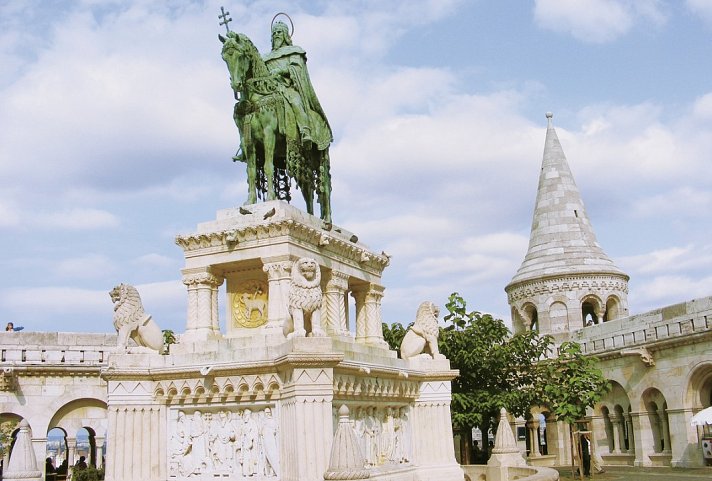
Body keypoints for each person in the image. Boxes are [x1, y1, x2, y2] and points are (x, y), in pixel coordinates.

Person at [263, 20, 332, 151]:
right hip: (269, 89)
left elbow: (297, 68)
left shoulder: (294, 51)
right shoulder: (265, 57)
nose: (276, 35)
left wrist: (281, 70)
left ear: (285, 35)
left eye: (279, 32)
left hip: (287, 87)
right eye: (274, 33)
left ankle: (305, 131)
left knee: (296, 101)